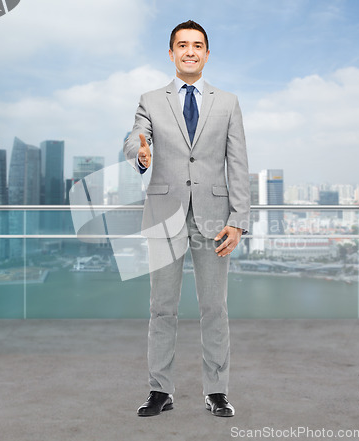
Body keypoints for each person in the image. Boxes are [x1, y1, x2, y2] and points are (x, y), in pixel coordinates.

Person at [123, 20, 250, 417]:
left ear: (207, 53)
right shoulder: (150, 99)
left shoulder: (228, 102)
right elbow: (134, 138)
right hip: (164, 214)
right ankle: (160, 391)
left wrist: (239, 219)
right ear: (171, 53)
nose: (190, 51)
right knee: (162, 308)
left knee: (215, 308)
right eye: (182, 45)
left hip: (215, 218)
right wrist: (140, 153)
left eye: (197, 45)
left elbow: (238, 165)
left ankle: (217, 392)